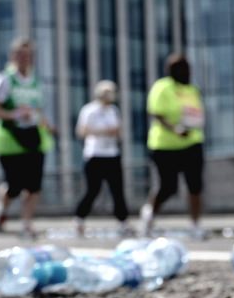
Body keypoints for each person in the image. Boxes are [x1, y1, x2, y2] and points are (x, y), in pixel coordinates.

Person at [0, 37, 55, 238]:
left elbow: (38, 110)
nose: (25, 59)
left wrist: (47, 125)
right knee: (13, 184)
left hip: (33, 134)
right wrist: (15, 114)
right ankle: (0, 211)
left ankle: (26, 223)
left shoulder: (36, 82)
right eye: (21, 55)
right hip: (10, 136)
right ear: (13, 56)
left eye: (29, 55)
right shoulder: (4, 79)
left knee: (34, 185)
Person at [141, 53, 206, 239]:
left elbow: (197, 113)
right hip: (165, 145)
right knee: (168, 187)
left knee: (195, 186)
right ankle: (149, 216)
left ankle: (195, 225)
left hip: (192, 142)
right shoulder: (162, 87)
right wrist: (174, 129)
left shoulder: (192, 90)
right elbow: (156, 113)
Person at [74, 80, 130, 237]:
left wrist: (115, 132)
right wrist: (104, 131)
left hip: (111, 154)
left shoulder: (113, 110)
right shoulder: (89, 110)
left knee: (117, 190)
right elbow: (82, 131)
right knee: (93, 190)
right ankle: (79, 218)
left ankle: (123, 222)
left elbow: (119, 130)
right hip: (95, 155)